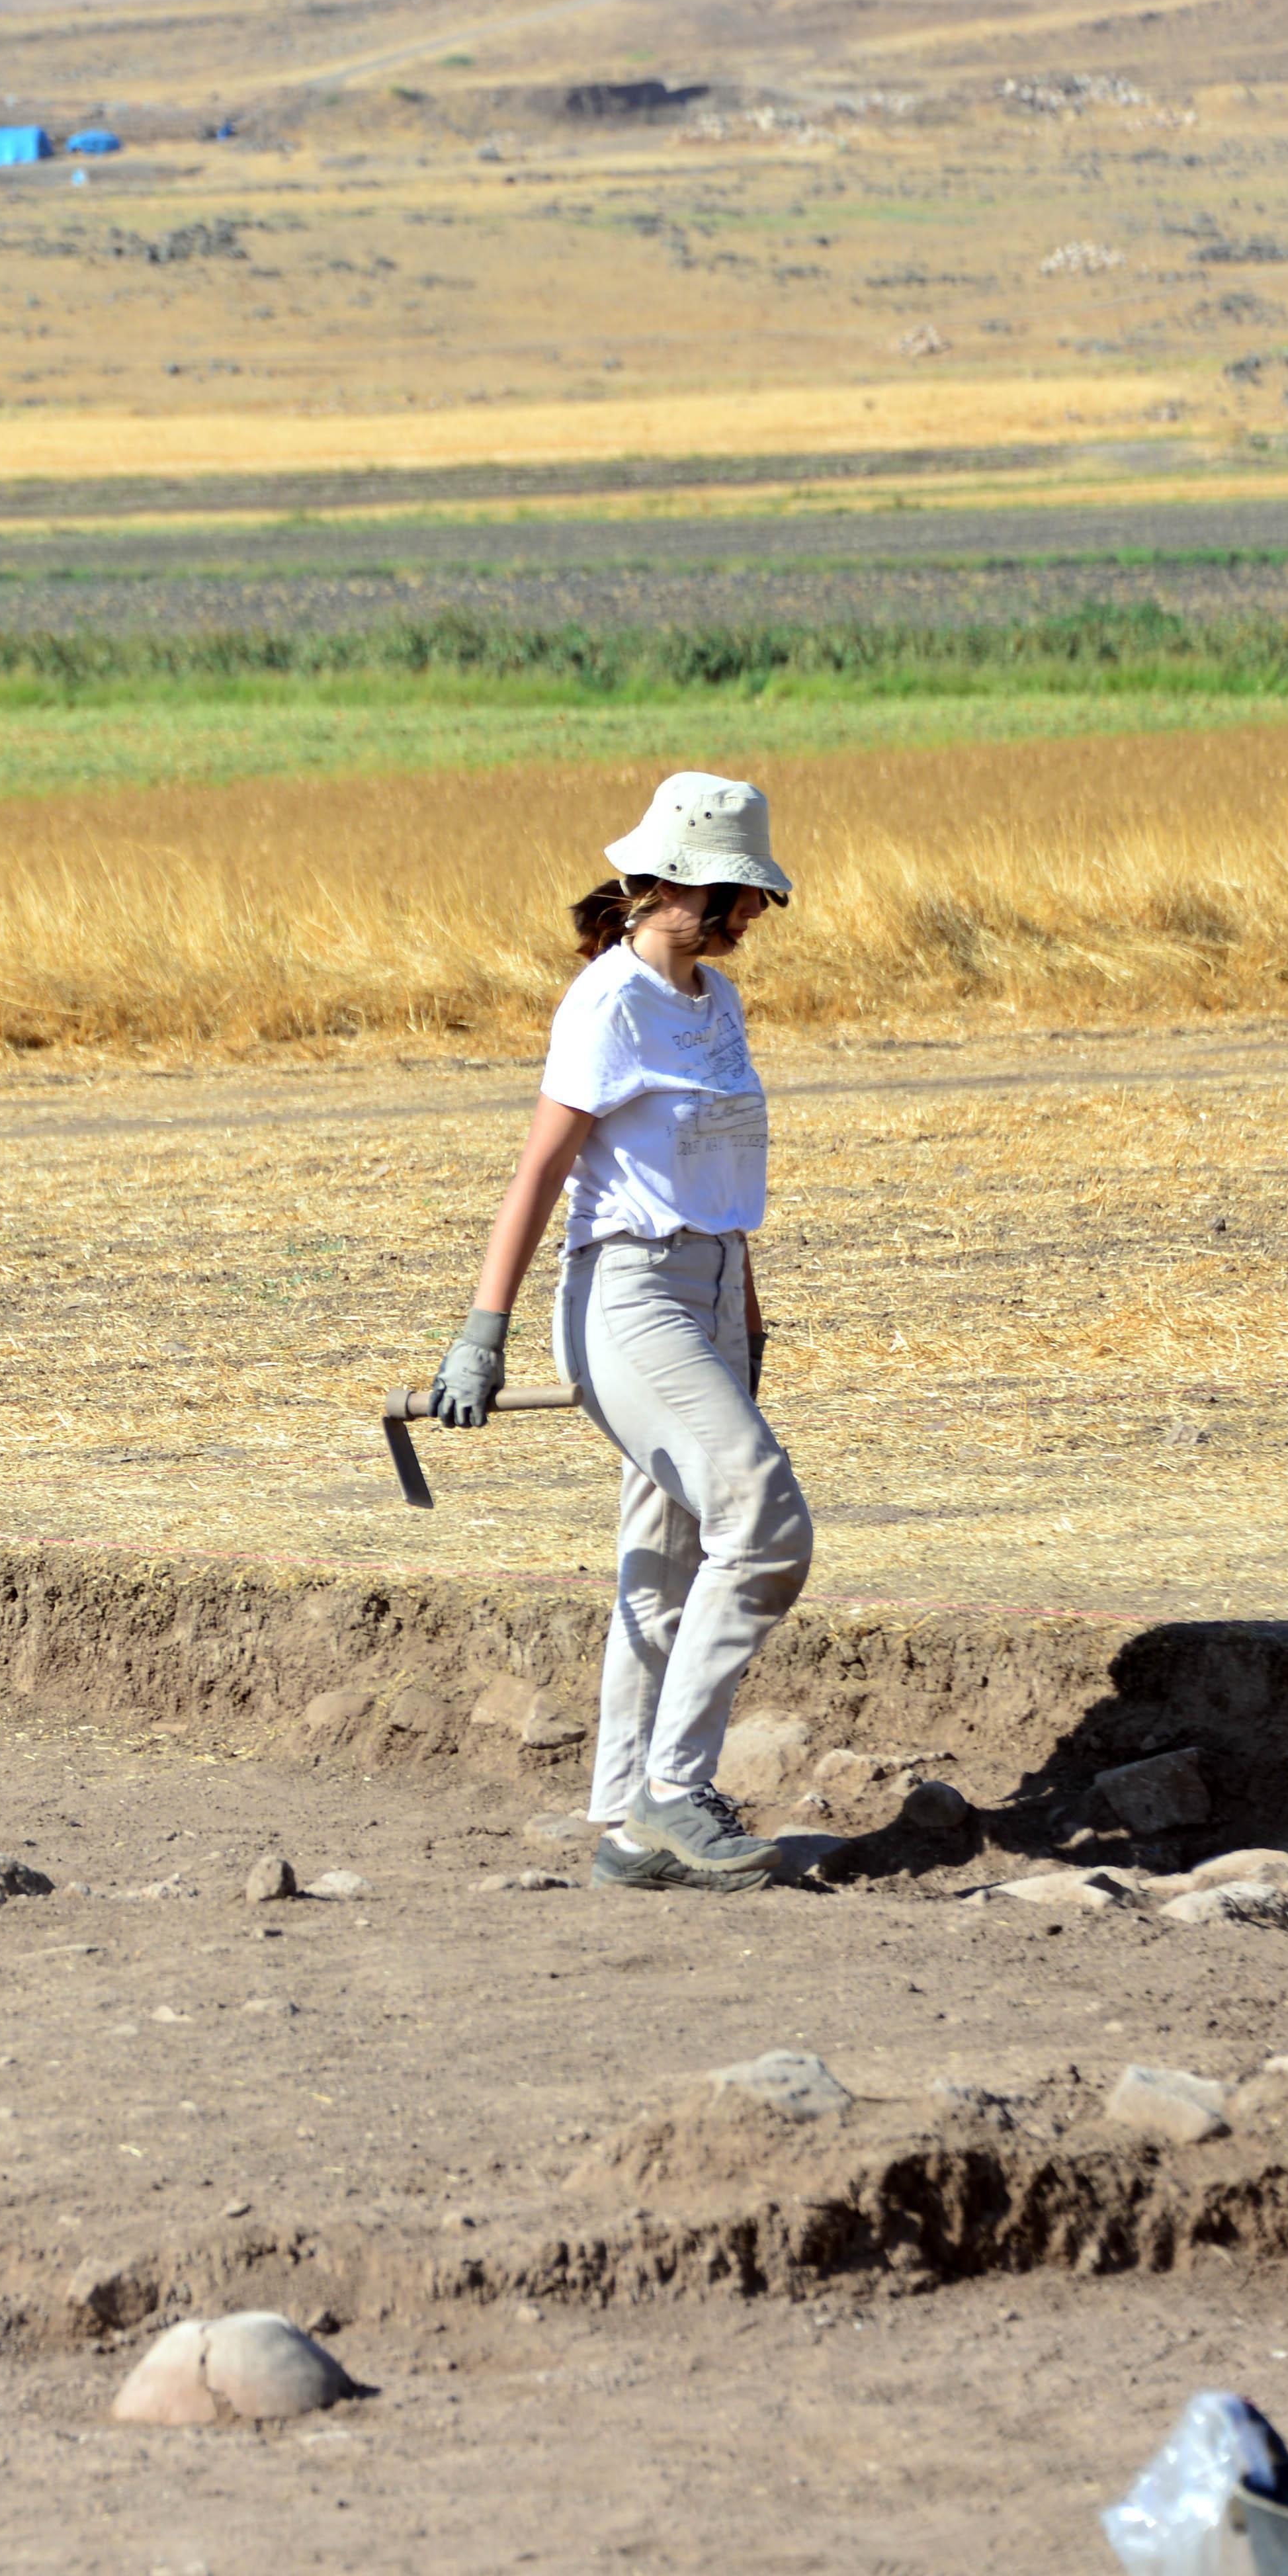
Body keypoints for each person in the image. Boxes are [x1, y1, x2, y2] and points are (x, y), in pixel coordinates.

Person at [433, 771, 815, 1893]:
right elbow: (541, 1169)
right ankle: (676, 1791)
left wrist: (743, 1309)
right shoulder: (606, 1001)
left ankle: (624, 1812)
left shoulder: (717, 1003)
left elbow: (717, 1172)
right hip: (627, 1299)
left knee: (668, 1557)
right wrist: (481, 1332)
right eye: (736, 895)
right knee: (762, 1517)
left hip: (710, 1298)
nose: (750, 917)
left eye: (752, 898)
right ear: (675, 885)